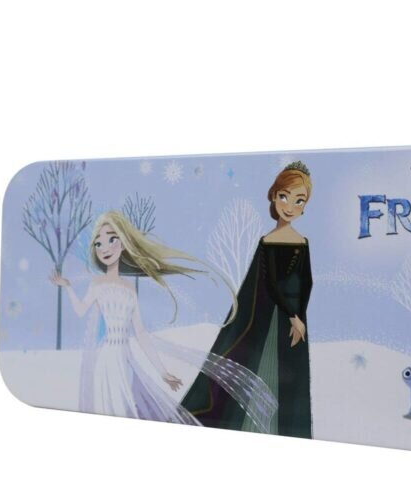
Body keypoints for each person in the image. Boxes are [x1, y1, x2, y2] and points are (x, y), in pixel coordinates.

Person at [51, 210, 277, 430]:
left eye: (112, 239)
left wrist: (162, 372)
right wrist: (68, 288)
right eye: (98, 243)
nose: (105, 248)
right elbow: (80, 310)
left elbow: (141, 333)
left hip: (124, 360)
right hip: (106, 359)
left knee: (125, 408)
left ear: (124, 243)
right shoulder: (97, 284)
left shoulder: (129, 289)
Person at [181, 161, 314, 438]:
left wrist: (300, 315)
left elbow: (307, 282)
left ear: (304, 206)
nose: (290, 206)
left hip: (295, 319)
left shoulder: (302, 242)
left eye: (299, 200)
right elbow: (272, 284)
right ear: (274, 196)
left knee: (290, 375)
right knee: (263, 365)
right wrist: (293, 315)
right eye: (284, 196)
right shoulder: (268, 241)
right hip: (274, 316)